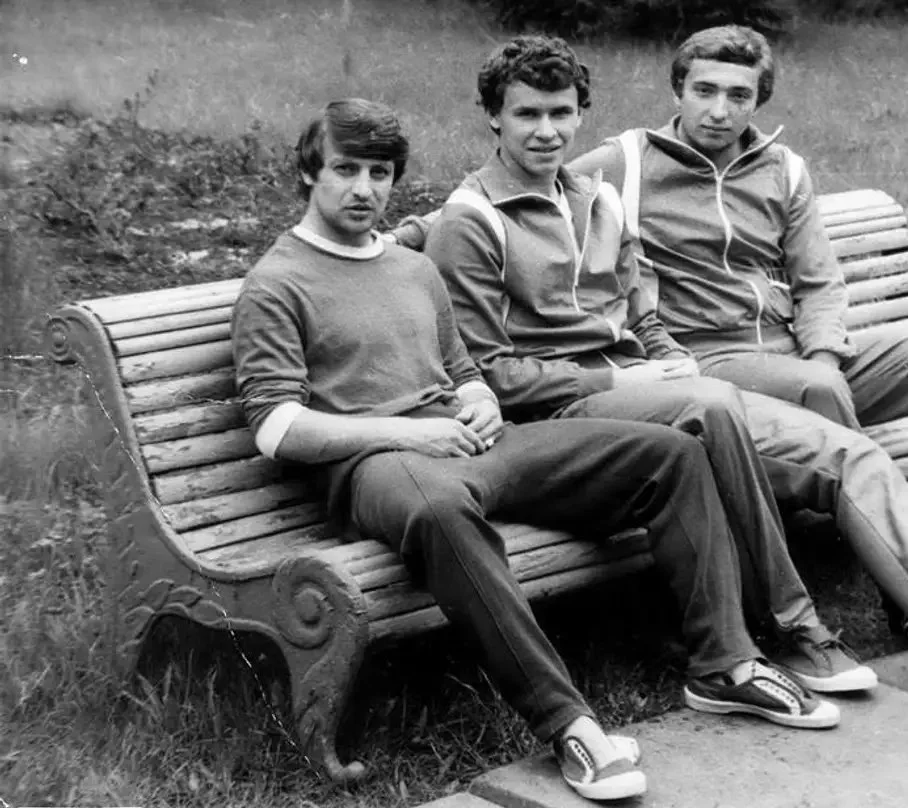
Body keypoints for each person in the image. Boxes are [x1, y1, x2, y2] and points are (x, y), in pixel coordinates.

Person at [416, 36, 908, 711]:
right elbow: (494, 375)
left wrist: (664, 355)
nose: (546, 131)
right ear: (493, 117)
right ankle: (793, 627)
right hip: (577, 416)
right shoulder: (479, 218)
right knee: (723, 404)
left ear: (580, 115)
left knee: (852, 456)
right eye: (527, 114)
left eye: (561, 113)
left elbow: (640, 312)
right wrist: (634, 381)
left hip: (674, 386)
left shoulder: (597, 199)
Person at [230, 98, 841, 804]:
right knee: (440, 509)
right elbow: (277, 428)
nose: (364, 188)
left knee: (671, 454)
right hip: (376, 466)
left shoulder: (411, 268)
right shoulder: (278, 281)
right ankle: (569, 723)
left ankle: (724, 663)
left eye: (379, 173)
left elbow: (462, 369)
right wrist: (412, 433)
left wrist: (480, 400)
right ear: (309, 174)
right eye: (345, 170)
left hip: (471, 444)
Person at [567, 25, 908, 645]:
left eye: (738, 96)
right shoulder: (628, 161)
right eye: (704, 91)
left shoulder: (782, 168)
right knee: (818, 388)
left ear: (758, 101)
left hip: (797, 349)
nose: (719, 111)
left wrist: (824, 352)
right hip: (709, 360)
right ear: (677, 90)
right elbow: (532, 180)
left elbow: (819, 282)